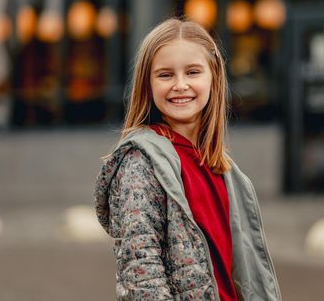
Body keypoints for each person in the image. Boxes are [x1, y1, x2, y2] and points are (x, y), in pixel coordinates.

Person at [94, 18, 282, 300]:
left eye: (193, 72)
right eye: (165, 75)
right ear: (148, 83)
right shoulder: (140, 164)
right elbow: (142, 273)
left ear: (213, 77)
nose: (180, 85)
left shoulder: (226, 171)